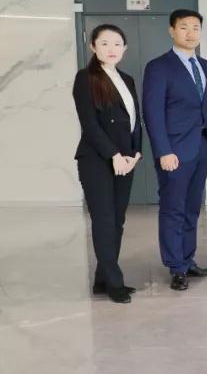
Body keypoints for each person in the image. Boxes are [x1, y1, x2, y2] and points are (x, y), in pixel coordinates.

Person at [143, 9, 207, 291]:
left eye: (196, 27)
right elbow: (152, 113)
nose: (190, 33)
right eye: (184, 27)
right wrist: (163, 150)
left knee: (192, 208)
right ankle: (176, 266)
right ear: (172, 31)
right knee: (173, 208)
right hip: (174, 150)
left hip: (202, 146)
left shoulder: (205, 65)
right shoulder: (159, 66)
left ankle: (188, 260)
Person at [73, 24, 142, 304]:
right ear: (93, 46)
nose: (111, 49)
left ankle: (102, 279)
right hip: (97, 159)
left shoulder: (127, 79)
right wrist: (114, 155)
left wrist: (135, 153)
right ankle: (115, 282)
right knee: (104, 220)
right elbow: (90, 124)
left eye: (117, 44)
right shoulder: (86, 78)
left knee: (117, 221)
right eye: (104, 43)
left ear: (124, 48)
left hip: (126, 159)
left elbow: (135, 121)